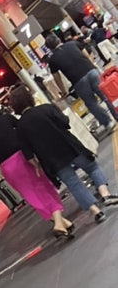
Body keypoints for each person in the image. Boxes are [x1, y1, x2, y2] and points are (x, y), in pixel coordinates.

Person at [9, 84, 118, 225]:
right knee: (92, 168)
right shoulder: (46, 108)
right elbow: (65, 123)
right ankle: (105, 194)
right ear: (29, 98)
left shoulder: (20, 127)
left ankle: (96, 212)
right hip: (70, 148)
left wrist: (37, 166)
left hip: (52, 160)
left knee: (73, 183)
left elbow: (28, 153)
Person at [0, 95, 74, 236]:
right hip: (23, 158)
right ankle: (58, 224)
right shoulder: (7, 119)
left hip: (7, 168)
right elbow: (24, 130)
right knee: (44, 187)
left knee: (32, 196)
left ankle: (63, 223)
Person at [44, 32, 118, 132]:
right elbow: (87, 56)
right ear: (59, 40)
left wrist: (63, 91)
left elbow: (57, 78)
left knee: (91, 103)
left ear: (50, 48)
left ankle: (108, 123)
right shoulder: (73, 43)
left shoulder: (52, 60)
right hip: (91, 72)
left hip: (78, 81)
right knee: (105, 95)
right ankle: (117, 114)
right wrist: (95, 68)